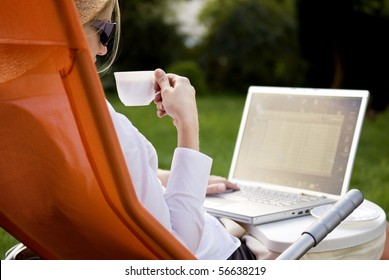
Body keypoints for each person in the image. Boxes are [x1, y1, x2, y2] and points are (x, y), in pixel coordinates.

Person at [74, 0, 389, 260]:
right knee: (382, 233)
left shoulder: (63, 119)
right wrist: (187, 122)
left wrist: (176, 178)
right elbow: (180, 246)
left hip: (199, 238)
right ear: (70, 31)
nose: (104, 50)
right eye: (105, 31)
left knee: (246, 216)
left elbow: (110, 179)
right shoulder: (104, 123)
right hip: (222, 259)